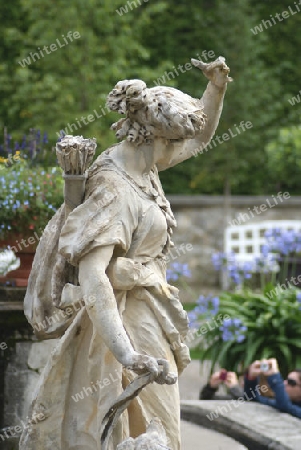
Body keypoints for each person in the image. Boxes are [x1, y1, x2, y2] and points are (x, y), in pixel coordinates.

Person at [20, 56, 232, 450]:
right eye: (174, 141)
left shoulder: (144, 165)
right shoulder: (114, 190)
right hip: (125, 323)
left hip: (146, 309)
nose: (180, 149)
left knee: (155, 429)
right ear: (154, 135)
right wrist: (127, 353)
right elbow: (94, 275)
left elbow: (201, 139)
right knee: (155, 430)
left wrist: (216, 89)